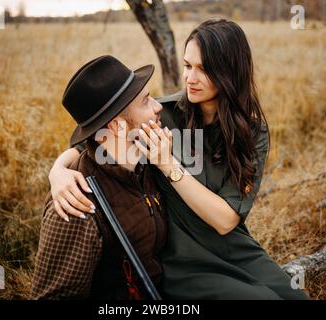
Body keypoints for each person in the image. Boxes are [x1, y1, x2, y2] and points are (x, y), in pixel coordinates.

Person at [47, 19, 309, 300]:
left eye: (204, 69)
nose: (190, 79)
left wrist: (168, 164)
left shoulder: (253, 133)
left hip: (235, 249)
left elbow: (225, 221)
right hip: (183, 262)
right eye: (187, 66)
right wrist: (58, 170)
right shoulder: (164, 113)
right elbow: (99, 142)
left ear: (230, 72)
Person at [30, 55, 168, 299]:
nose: (159, 107)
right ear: (117, 127)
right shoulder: (77, 206)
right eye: (146, 102)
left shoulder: (145, 163)